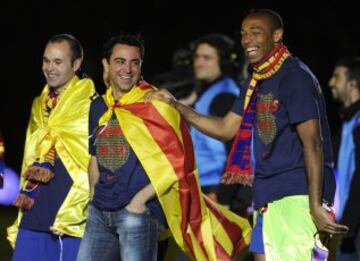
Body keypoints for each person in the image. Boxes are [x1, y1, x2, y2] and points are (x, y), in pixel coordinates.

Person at [146, 9, 349, 260]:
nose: (247, 40)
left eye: (256, 32)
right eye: (243, 33)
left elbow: (314, 143)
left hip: (297, 197)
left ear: (277, 35)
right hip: (266, 196)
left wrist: (316, 205)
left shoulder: (295, 76)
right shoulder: (257, 79)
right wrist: (176, 106)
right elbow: (225, 129)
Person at [76, 33, 251, 261]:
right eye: (120, 61)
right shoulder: (101, 106)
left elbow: (185, 159)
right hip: (103, 209)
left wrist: (138, 203)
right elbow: (95, 157)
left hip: (186, 195)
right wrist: (93, 198)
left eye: (134, 62)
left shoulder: (159, 102)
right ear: (106, 64)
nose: (128, 69)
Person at [7, 34, 96, 260]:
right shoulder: (39, 105)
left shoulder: (94, 105)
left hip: (70, 218)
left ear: (76, 64)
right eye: (46, 61)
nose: (49, 68)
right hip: (34, 211)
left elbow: (98, 163)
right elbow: (30, 157)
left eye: (58, 62)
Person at [188, 33, 241, 204]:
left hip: (215, 187)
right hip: (205, 185)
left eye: (207, 58)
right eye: (197, 57)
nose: (198, 63)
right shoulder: (210, 91)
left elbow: (238, 149)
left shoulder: (225, 95)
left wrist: (222, 194)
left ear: (223, 62)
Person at [328, 57, 360, 260]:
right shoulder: (348, 122)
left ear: (353, 84)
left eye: (337, 77)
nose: (331, 82)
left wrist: (348, 221)